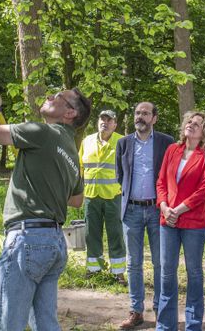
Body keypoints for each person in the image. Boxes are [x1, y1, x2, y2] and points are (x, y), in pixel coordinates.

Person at [0, 87, 91, 331]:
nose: (50, 96)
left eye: (58, 96)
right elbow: (77, 199)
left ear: (70, 112)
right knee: (45, 324)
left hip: (27, 240)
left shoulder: (42, 132)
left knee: (8, 324)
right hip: (54, 244)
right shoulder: (71, 150)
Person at [155, 111, 205, 331]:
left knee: (194, 273)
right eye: (189, 121)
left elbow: (203, 191)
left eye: (198, 124)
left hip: (194, 223)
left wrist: (178, 210)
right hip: (168, 221)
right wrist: (164, 207)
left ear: (204, 132)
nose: (191, 124)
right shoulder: (172, 149)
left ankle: (192, 325)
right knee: (167, 273)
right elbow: (161, 181)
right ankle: (164, 325)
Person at [116, 102, 175, 330]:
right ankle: (136, 311)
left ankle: (161, 310)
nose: (140, 116)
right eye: (137, 112)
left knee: (161, 262)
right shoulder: (123, 143)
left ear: (154, 118)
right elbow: (121, 176)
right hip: (131, 210)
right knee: (134, 263)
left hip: (157, 210)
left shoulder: (166, 142)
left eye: (145, 113)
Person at [79, 109, 126, 282]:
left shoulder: (122, 141)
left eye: (108, 120)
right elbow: (80, 168)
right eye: (101, 119)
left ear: (115, 124)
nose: (104, 122)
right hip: (91, 195)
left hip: (114, 195)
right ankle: (94, 268)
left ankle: (118, 272)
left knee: (115, 234)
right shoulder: (87, 141)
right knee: (91, 234)